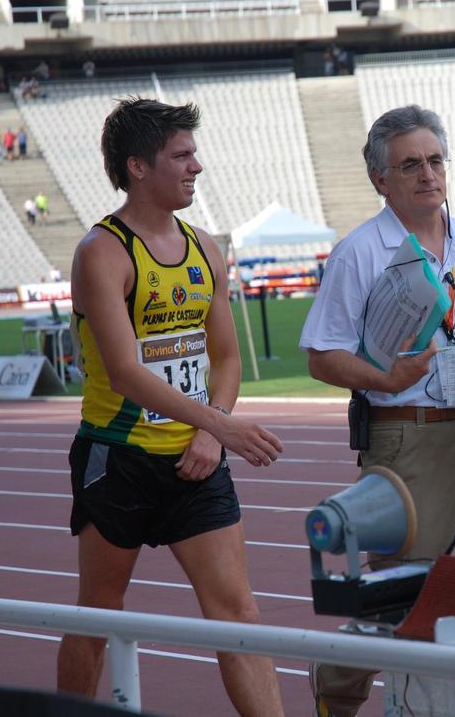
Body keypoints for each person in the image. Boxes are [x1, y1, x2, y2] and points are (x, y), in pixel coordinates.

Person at [299, 105, 455, 716]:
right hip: (408, 440)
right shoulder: (360, 252)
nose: (427, 174)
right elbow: (321, 358)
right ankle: (336, 694)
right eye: (410, 164)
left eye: (435, 160)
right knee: (400, 600)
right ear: (380, 179)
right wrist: (385, 376)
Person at [55, 97, 285, 715]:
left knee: (238, 613)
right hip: (119, 457)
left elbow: (227, 358)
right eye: (181, 156)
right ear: (136, 166)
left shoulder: (206, 248)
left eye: (194, 154)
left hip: (197, 459)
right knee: (100, 612)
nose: (196, 167)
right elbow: (127, 373)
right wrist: (218, 422)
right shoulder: (102, 252)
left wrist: (211, 435)